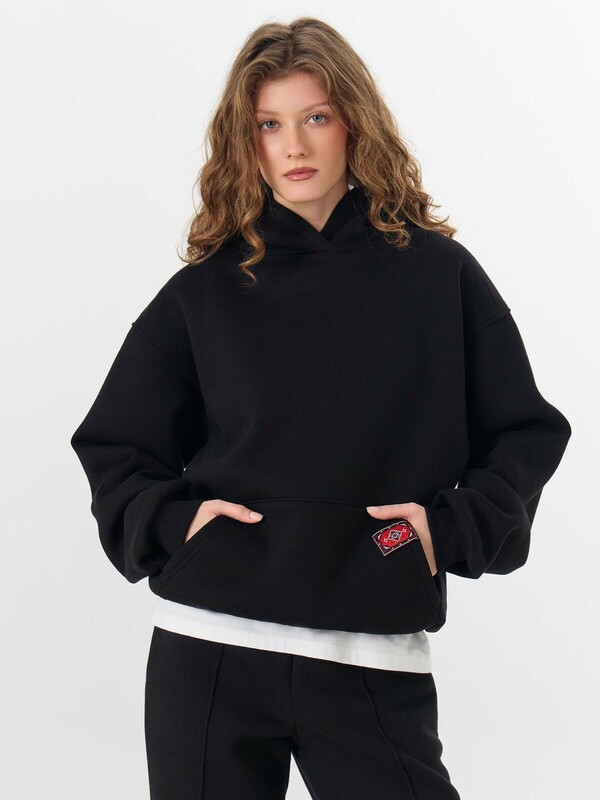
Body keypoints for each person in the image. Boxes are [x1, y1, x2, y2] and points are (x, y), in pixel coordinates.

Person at [70, 16, 572, 800]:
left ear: (354, 125)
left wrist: (442, 530)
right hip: (210, 652)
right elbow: (115, 444)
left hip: (369, 656)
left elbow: (525, 432)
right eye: (269, 124)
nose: (294, 146)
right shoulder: (205, 291)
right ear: (246, 141)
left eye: (315, 117)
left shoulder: (438, 277)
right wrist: (176, 524)